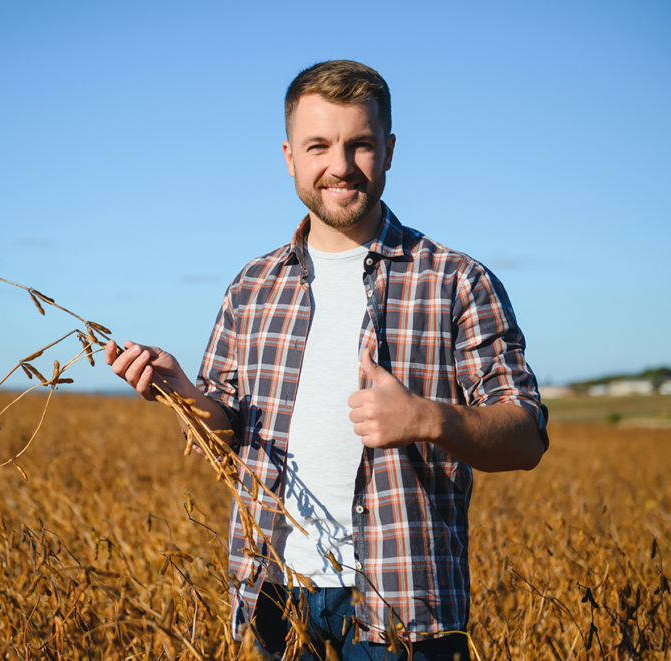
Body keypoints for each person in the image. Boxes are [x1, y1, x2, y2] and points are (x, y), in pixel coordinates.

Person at [106, 60, 548, 660]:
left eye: (359, 144)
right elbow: (226, 434)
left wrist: (426, 419)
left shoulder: (456, 281)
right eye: (319, 145)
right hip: (274, 597)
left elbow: (526, 437)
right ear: (290, 155)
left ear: (389, 151)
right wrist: (180, 390)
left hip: (403, 608)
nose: (339, 166)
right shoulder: (252, 286)